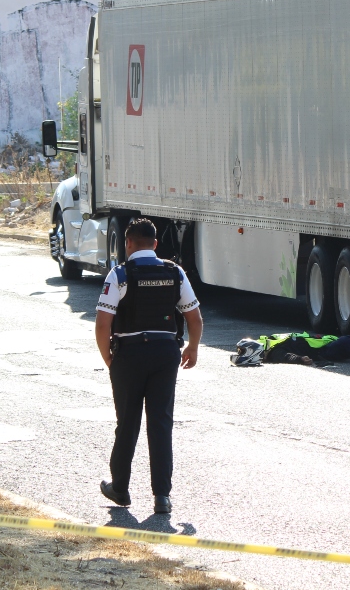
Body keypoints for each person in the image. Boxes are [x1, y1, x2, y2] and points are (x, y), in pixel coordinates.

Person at [94, 218, 202, 515]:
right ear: (155, 244)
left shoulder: (120, 274)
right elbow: (194, 318)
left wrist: (109, 359)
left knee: (127, 424)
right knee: (161, 424)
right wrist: (192, 346)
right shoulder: (174, 272)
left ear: (127, 244)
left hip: (129, 355)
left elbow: (103, 324)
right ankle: (162, 497)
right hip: (166, 353)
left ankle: (120, 488)